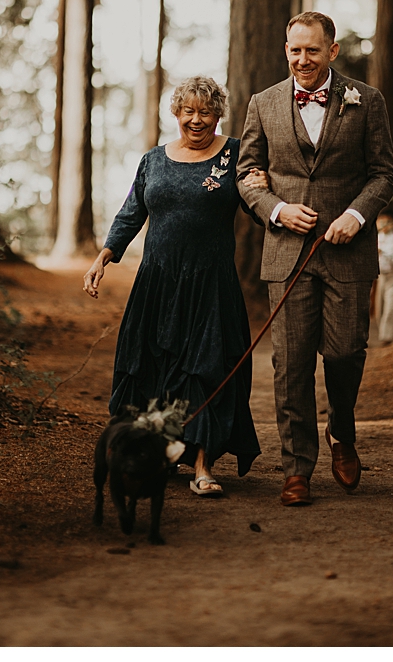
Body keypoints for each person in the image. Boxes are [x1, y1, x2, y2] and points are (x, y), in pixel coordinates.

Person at [237, 11, 393, 507]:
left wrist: (356, 214)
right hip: (287, 255)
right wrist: (277, 209)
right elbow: (247, 173)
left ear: (332, 51)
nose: (302, 60)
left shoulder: (366, 101)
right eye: (294, 50)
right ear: (285, 50)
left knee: (346, 352)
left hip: (348, 255)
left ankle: (342, 429)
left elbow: (385, 174)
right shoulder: (263, 104)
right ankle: (297, 467)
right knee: (289, 365)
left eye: (312, 50)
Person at [83, 77, 262, 498]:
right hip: (157, 283)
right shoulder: (153, 160)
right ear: (176, 114)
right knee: (152, 370)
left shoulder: (235, 155)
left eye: (205, 112)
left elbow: (259, 204)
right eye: (188, 112)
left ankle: (202, 465)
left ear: (218, 115)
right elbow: (132, 212)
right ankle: (157, 454)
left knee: (207, 370)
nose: (196, 120)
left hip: (211, 284)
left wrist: (280, 209)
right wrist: (103, 256)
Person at [371, 209, 393, 345]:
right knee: (380, 308)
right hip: (380, 277)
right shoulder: (376, 238)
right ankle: (382, 332)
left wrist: (383, 253)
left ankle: (387, 337)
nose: (384, 224)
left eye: (387, 222)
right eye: (381, 221)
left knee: (390, 306)